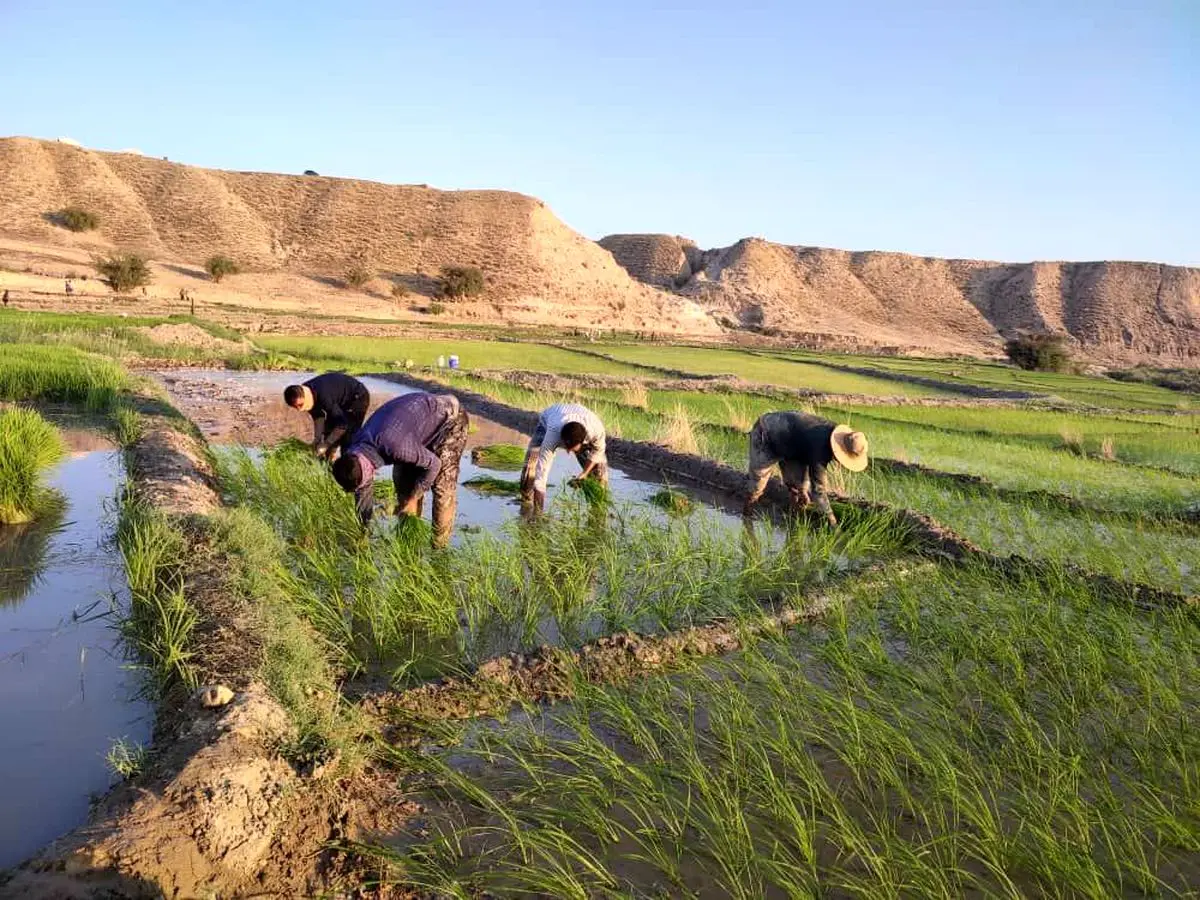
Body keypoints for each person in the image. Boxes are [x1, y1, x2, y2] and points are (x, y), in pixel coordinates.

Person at [331, 391, 469, 547]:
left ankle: (439, 548)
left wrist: (413, 498)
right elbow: (363, 495)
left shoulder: (395, 447)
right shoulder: (355, 454)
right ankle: (409, 541)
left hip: (449, 421)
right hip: (411, 426)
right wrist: (363, 533)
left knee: (441, 486)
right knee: (403, 483)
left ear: (366, 473)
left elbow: (434, 464)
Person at [743, 411, 868, 526]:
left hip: (792, 444)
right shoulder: (820, 449)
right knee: (757, 485)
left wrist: (803, 490)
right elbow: (818, 491)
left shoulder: (833, 437)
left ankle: (793, 522)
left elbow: (807, 464)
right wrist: (833, 522)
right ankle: (747, 515)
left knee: (799, 489)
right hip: (767, 433)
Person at [519, 402, 608, 513]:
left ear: (583, 441)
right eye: (566, 447)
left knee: (599, 473)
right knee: (530, 467)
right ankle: (526, 501)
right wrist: (538, 514)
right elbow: (541, 474)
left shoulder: (596, 430)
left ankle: (598, 509)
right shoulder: (553, 434)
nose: (567, 452)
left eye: (572, 449)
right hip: (547, 421)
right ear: (561, 439)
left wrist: (584, 474)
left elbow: (598, 452)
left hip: (583, 420)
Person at [283, 372, 370, 459]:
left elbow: (342, 425)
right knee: (328, 433)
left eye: (300, 405)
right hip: (337, 401)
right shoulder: (303, 393)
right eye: (295, 407)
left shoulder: (324, 398)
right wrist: (317, 439)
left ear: (304, 397)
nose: (299, 409)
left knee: (348, 439)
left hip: (357, 398)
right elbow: (318, 415)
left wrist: (326, 444)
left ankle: (348, 464)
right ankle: (329, 464)